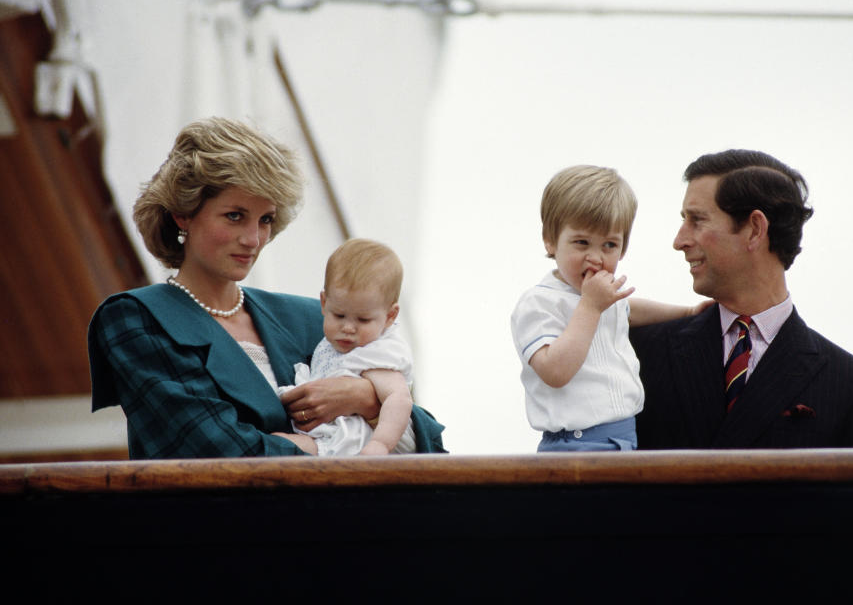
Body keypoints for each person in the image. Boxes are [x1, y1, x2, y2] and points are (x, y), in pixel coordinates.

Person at [87, 117, 444, 458]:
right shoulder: (138, 319)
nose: (254, 239)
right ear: (184, 213)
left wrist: (365, 399)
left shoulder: (313, 318)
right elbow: (213, 451)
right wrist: (325, 450)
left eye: (266, 219)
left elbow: (429, 444)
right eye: (235, 216)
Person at [630, 149, 853, 449]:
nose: (679, 241)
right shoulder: (637, 351)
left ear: (755, 229)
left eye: (697, 220)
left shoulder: (851, 386)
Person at [511, 165, 707, 452]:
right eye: (581, 243)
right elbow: (555, 371)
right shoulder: (539, 303)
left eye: (609, 245)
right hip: (575, 444)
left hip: (625, 438)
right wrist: (590, 307)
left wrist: (687, 313)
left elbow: (629, 310)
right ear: (551, 241)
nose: (595, 257)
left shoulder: (603, 299)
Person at [275, 238, 417, 456]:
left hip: (354, 440)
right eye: (339, 315)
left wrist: (380, 444)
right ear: (324, 303)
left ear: (390, 316)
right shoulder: (337, 343)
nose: (348, 328)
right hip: (329, 431)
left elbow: (399, 399)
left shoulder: (378, 352)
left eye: (363, 320)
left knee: (276, 446)